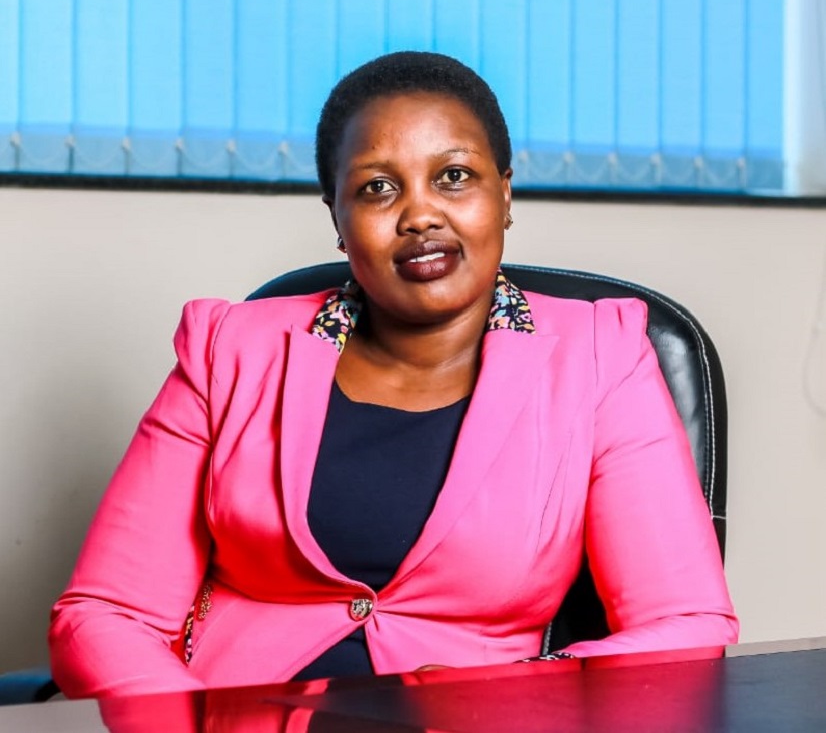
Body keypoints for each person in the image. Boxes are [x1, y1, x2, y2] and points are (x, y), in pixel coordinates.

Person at [49, 51, 738, 699]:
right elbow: (106, 612)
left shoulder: (599, 358)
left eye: (454, 176)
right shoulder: (229, 350)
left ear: (504, 195)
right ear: (338, 217)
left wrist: (512, 695)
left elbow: (684, 625)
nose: (420, 215)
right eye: (377, 187)